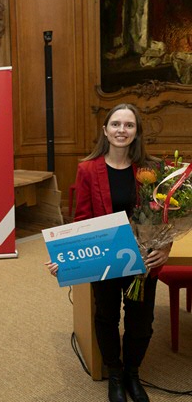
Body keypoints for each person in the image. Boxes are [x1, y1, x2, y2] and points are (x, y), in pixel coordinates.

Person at [45, 103, 170, 402]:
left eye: (129, 125)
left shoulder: (152, 169)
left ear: (137, 131)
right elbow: (82, 221)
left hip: (143, 259)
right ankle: (114, 372)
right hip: (106, 259)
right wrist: (64, 259)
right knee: (106, 316)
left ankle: (132, 373)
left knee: (141, 320)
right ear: (105, 130)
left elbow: (169, 217)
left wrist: (165, 247)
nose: (121, 130)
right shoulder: (88, 169)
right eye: (116, 124)